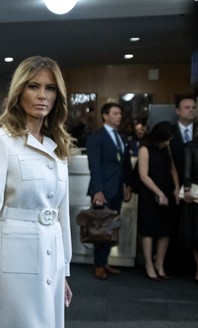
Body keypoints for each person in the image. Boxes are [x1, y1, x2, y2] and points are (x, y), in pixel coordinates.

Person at [0, 56, 73, 328]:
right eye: (33, 86)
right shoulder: (0, 138)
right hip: (12, 263)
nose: (42, 96)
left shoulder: (57, 146)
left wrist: (64, 270)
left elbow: (60, 214)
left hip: (51, 258)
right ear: (19, 91)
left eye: (50, 88)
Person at [86, 102, 133, 280]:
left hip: (117, 189)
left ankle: (104, 261)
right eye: (115, 113)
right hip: (103, 190)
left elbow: (125, 164)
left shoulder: (120, 137)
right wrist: (98, 191)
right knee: (101, 227)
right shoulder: (97, 137)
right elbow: (94, 166)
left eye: (120, 113)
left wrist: (128, 185)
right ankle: (98, 264)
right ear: (105, 116)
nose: (119, 116)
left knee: (111, 227)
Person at [137, 121, 179, 280]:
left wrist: (176, 187)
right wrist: (159, 193)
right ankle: (149, 264)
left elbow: (173, 169)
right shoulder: (145, 149)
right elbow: (143, 175)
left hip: (167, 192)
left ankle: (159, 264)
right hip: (150, 193)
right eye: (165, 140)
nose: (167, 143)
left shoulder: (166, 148)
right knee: (149, 230)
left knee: (165, 230)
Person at [168, 96, 197, 273]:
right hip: (172, 184)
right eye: (187, 107)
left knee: (194, 227)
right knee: (174, 224)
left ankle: (192, 267)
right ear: (178, 111)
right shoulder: (169, 131)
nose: (191, 110)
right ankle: (173, 265)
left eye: (193, 107)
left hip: (195, 187)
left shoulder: (197, 132)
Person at [180, 123, 198, 283]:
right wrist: (186, 189)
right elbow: (187, 170)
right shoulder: (190, 147)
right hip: (195, 194)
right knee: (196, 234)